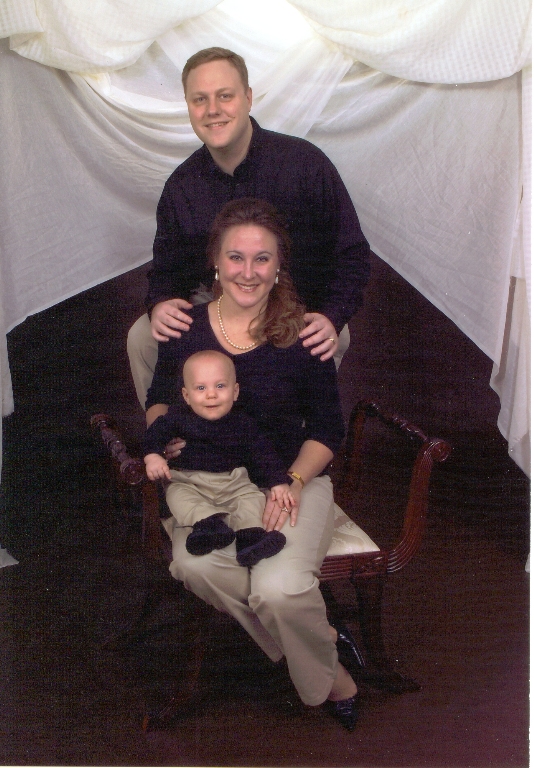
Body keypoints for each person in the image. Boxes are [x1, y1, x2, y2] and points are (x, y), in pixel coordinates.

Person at [145, 197, 361, 731]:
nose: (248, 271)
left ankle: (315, 654)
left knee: (279, 589)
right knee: (196, 565)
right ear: (216, 263)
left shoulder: (304, 333)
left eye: (262, 258)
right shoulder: (185, 327)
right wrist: (163, 438)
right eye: (235, 257)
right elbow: (159, 399)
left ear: (278, 265)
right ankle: (326, 657)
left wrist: (293, 481)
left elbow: (328, 431)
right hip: (207, 485)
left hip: (290, 480)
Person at [128, 46, 370, 408]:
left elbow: (351, 255)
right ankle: (172, 436)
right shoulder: (182, 186)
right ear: (189, 106)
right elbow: (167, 271)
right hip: (219, 312)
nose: (212, 109)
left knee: (283, 403)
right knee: (142, 338)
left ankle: (291, 440)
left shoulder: (306, 164)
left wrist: (332, 317)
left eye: (224, 96)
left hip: (300, 313)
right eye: (200, 99)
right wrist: (160, 303)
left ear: (248, 98)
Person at [143, 349, 295, 567]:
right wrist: (153, 456)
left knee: (252, 498)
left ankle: (250, 538)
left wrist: (278, 482)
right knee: (178, 496)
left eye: (220, 386)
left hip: (233, 481)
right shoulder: (176, 418)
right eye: (201, 388)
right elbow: (153, 435)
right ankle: (208, 527)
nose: (211, 394)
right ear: (186, 395)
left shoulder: (243, 422)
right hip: (189, 481)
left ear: (235, 391)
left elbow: (263, 452)